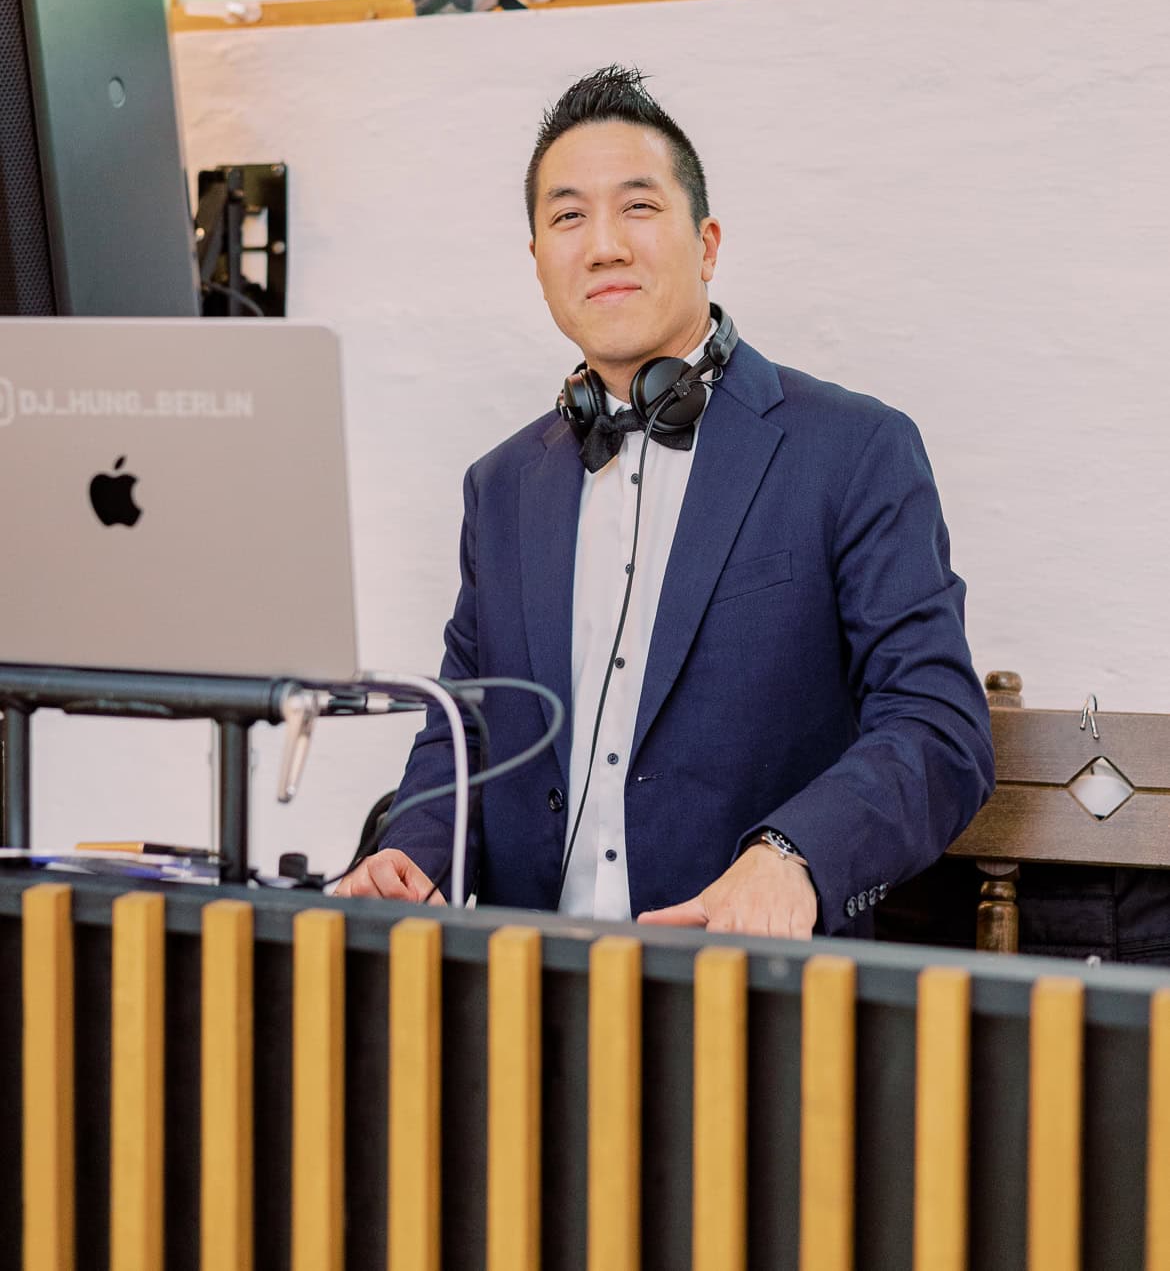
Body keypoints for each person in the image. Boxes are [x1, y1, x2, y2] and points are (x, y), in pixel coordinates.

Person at [336, 66, 994, 937]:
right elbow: (468, 725)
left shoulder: (855, 448)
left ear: (707, 243)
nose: (602, 244)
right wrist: (410, 852)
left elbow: (938, 726)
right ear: (537, 261)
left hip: (758, 1004)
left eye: (638, 207)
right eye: (568, 216)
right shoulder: (500, 488)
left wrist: (795, 856)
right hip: (526, 998)